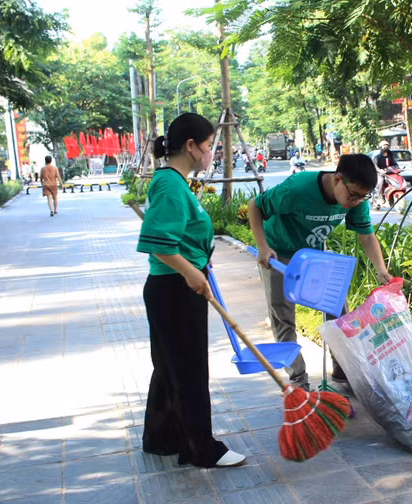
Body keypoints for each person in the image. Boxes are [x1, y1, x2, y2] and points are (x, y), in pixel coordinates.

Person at [136, 112, 246, 468]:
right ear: (191, 146)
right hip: (174, 290)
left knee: (170, 366)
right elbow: (157, 243)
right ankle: (200, 448)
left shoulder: (175, 181)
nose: (212, 152)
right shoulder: (170, 183)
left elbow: (180, 237)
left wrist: (200, 259)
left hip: (173, 286)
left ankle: (161, 437)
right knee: (189, 369)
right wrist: (189, 271)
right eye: (210, 145)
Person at [248, 154, 394, 389]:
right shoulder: (297, 188)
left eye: (362, 197)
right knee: (283, 318)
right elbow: (255, 205)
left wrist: (381, 269)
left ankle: (342, 369)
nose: (356, 201)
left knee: (337, 310)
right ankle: (299, 381)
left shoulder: (356, 199)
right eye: (354, 195)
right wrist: (263, 247)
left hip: (313, 257)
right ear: (337, 179)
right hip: (278, 254)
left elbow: (366, 235)